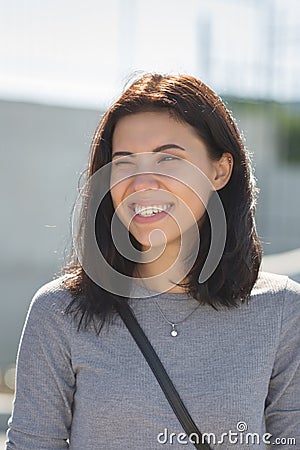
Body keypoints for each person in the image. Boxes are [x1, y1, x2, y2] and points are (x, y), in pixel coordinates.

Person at [6, 74, 300, 449]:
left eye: (168, 158)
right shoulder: (59, 312)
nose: (143, 182)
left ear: (220, 170)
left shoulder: (282, 311)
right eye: (124, 162)